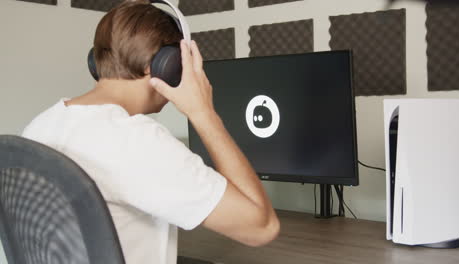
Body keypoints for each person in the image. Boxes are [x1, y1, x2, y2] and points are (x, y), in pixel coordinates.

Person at [21, 1, 280, 263]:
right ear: (164, 64)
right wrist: (204, 114)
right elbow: (262, 227)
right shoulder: (135, 139)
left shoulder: (40, 125)